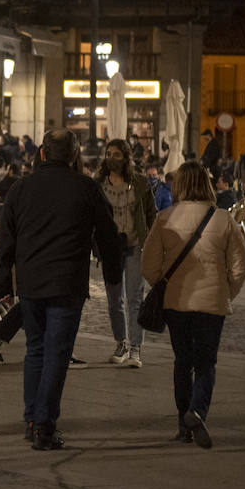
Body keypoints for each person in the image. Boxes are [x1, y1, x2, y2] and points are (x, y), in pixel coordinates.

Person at [0, 129, 121, 451]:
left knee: (36, 350)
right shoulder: (86, 188)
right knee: (57, 354)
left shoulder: (21, 189)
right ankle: (44, 426)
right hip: (67, 281)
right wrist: (113, 273)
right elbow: (108, 234)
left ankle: (32, 419)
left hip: (32, 282)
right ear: (74, 156)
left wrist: (3, 283)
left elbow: (4, 240)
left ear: (43, 154)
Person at [141, 161, 245, 449]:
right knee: (206, 362)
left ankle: (182, 423)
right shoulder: (223, 219)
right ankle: (197, 411)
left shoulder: (165, 218)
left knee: (182, 361)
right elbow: (239, 268)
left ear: (179, 186)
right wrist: (225, 292)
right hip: (211, 303)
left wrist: (163, 285)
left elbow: (148, 266)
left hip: (176, 301)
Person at [94, 138, 156, 368]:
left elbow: (152, 214)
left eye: (117, 154)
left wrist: (151, 240)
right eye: (108, 153)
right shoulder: (99, 184)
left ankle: (136, 347)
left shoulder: (139, 183)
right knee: (113, 300)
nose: (111, 158)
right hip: (110, 250)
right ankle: (120, 341)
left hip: (135, 246)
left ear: (126, 157)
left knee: (135, 298)